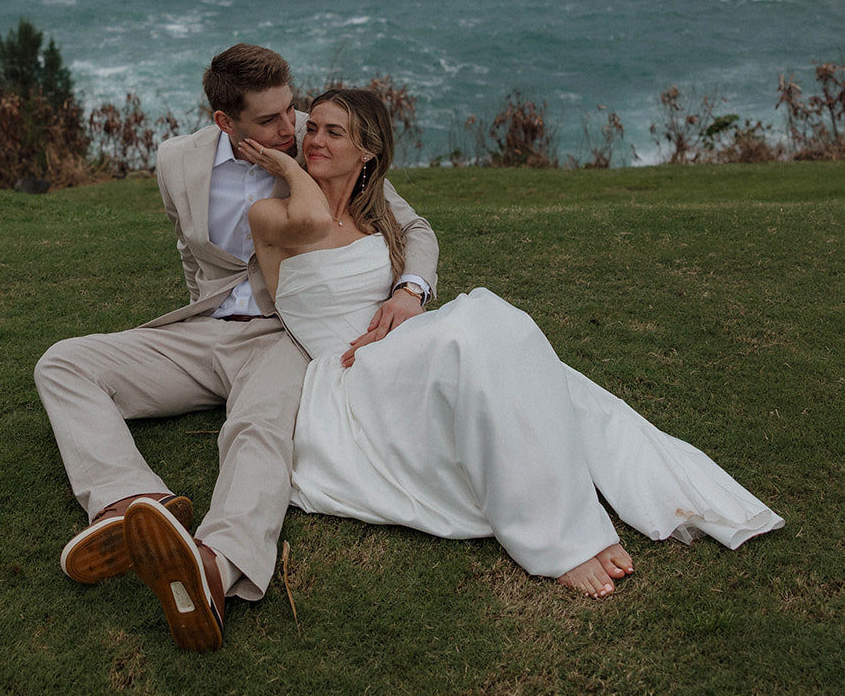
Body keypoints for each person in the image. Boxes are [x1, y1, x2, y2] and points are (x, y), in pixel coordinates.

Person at [239, 87, 783, 598]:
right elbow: (313, 216)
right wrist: (285, 165)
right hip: (351, 371)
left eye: (333, 132)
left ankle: (607, 488)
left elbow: (415, 233)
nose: (314, 140)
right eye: (313, 129)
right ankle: (560, 539)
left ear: (368, 152)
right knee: (472, 328)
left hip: (402, 345)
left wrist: (408, 291)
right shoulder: (275, 215)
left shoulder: (375, 215)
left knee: (506, 335)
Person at [34, 46, 438, 650]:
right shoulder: (177, 160)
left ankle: (215, 565)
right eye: (270, 120)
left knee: (258, 428)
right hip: (208, 327)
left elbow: (412, 225)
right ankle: (131, 503)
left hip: (286, 331)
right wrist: (204, 311)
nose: (292, 128)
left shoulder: (320, 142)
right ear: (225, 121)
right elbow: (189, 248)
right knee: (63, 363)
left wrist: (411, 289)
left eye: (291, 109)